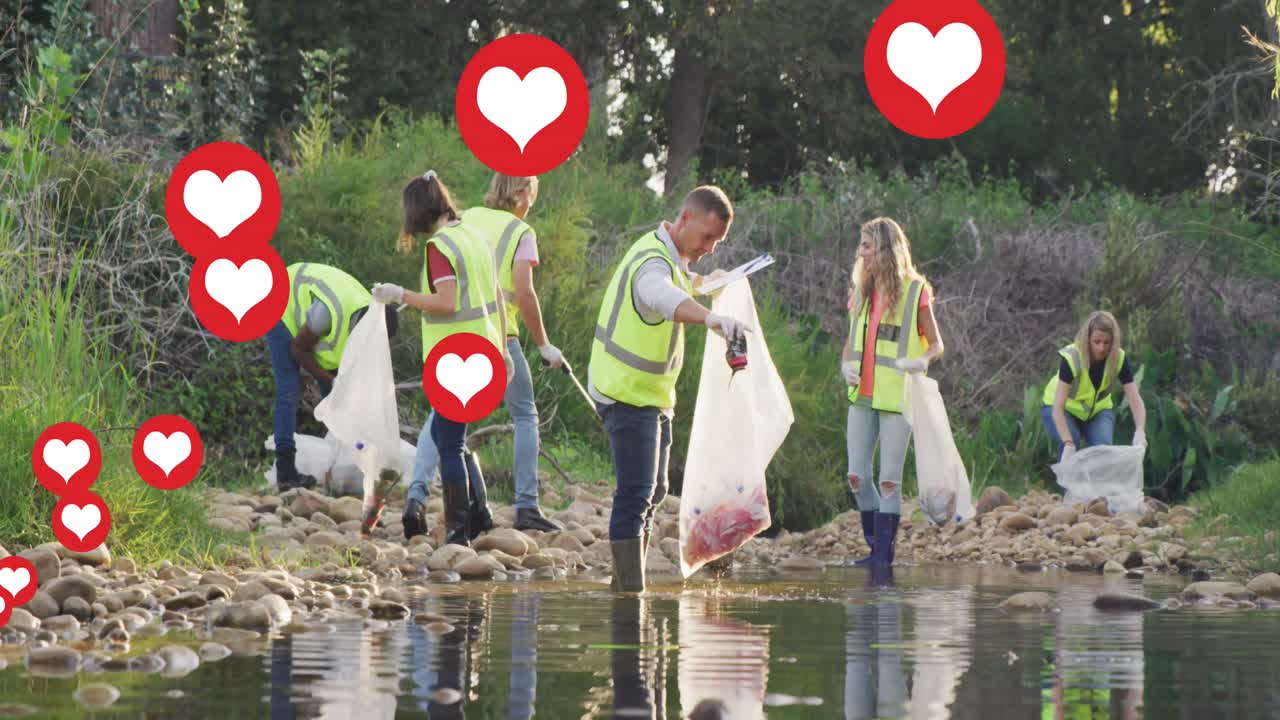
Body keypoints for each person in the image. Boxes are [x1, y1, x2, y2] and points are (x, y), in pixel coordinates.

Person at [587, 185, 752, 593]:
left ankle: (628, 585)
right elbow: (660, 295)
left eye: (718, 241)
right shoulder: (651, 262)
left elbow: (678, 283)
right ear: (684, 220)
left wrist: (706, 282)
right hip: (625, 393)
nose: (711, 247)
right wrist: (711, 319)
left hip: (653, 397)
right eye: (707, 238)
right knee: (636, 493)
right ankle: (628, 593)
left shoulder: (671, 258)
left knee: (655, 491)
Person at [401, 173, 564, 537]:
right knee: (523, 415)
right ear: (523, 193)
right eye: (532, 194)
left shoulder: (468, 220)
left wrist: (402, 296)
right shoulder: (519, 233)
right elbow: (524, 292)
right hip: (496, 336)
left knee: (446, 426)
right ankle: (523, 505)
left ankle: (422, 498)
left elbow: (449, 294)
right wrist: (542, 344)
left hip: (456, 343)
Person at [373, 170, 512, 546]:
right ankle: (480, 514)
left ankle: (457, 530)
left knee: (448, 443)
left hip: (456, 357)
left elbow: (447, 304)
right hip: (484, 350)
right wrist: (503, 348)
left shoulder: (440, 247)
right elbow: (498, 296)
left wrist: (400, 293)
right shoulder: (475, 236)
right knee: (450, 434)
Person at [841, 217, 945, 568]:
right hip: (862, 397)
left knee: (889, 481)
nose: (861, 253)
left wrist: (920, 362)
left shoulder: (916, 292)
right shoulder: (860, 290)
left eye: (867, 245)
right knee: (856, 477)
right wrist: (845, 365)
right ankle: (874, 548)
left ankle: (882, 558)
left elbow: (936, 345)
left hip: (898, 398)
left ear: (885, 248)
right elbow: (850, 341)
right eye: (861, 245)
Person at [268, 262, 399, 492]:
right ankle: (285, 471)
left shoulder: (370, 319)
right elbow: (298, 351)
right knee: (289, 387)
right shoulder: (328, 314)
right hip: (281, 301)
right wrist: (328, 378)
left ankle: (343, 462)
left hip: (311, 314)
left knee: (339, 396)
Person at [1041, 310, 1147, 462]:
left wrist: (1140, 430)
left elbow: (1134, 398)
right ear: (1087, 339)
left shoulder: (1119, 358)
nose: (1101, 348)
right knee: (1072, 443)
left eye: (1107, 342)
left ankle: (1096, 485)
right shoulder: (1072, 358)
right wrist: (1068, 443)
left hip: (1097, 411)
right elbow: (1058, 408)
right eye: (1096, 342)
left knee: (1103, 450)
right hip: (1061, 409)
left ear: (1113, 341)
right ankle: (1066, 484)